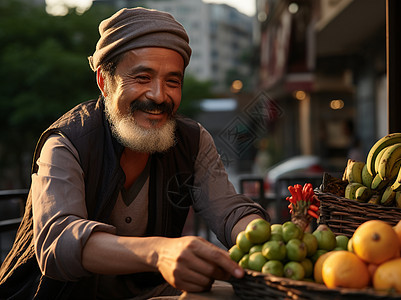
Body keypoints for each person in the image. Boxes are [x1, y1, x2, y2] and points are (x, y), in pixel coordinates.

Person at [0, 7, 269, 299]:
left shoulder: (193, 141)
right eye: (142, 78)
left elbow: (229, 210)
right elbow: (59, 242)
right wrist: (158, 253)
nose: (158, 95)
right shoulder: (67, 142)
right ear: (105, 82)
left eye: (172, 82)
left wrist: (269, 242)